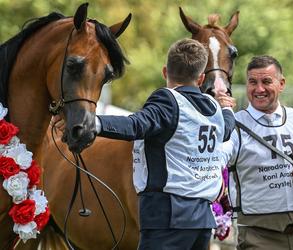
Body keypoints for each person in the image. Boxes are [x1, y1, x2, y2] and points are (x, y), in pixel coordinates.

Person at [53, 38, 236, 250]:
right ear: (201, 77)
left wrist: (90, 123)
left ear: (165, 72)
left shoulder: (168, 100)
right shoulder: (215, 109)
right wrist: (227, 108)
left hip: (167, 216)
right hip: (203, 220)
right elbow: (228, 128)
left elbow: (135, 125)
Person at [222, 55, 293, 250]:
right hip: (258, 235)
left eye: (266, 81)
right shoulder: (234, 125)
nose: (259, 89)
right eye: (252, 82)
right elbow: (214, 159)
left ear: (281, 84)